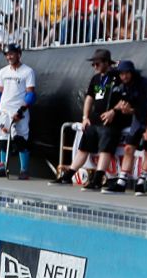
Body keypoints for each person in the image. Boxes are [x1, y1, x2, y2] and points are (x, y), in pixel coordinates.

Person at [51, 49, 121, 190]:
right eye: (93, 64)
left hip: (110, 120)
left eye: (97, 64)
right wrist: (85, 117)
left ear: (107, 63)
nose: (94, 67)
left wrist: (113, 111)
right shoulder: (96, 79)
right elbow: (89, 98)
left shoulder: (117, 76)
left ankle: (97, 178)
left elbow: (125, 96)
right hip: (95, 118)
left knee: (105, 149)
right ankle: (68, 175)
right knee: (84, 148)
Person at [104, 61, 147, 195]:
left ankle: (141, 183)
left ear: (132, 72)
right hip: (139, 119)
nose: (124, 76)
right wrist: (119, 111)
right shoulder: (124, 87)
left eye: (127, 73)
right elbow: (128, 106)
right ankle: (121, 183)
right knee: (128, 148)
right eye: (121, 74)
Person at [0, 43, 36, 180]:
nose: (9, 56)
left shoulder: (28, 71)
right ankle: (2, 167)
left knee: (20, 139)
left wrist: (21, 112)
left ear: (18, 54)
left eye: (11, 53)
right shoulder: (2, 71)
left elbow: (31, 94)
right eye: (7, 54)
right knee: (3, 139)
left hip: (19, 111)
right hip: (4, 111)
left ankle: (24, 170)